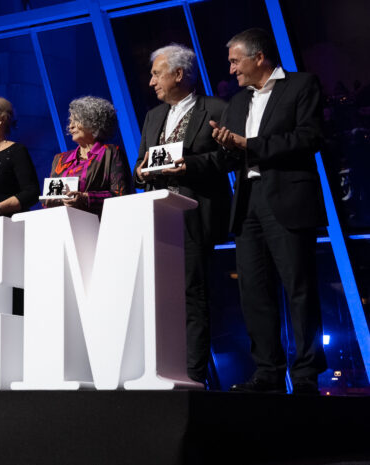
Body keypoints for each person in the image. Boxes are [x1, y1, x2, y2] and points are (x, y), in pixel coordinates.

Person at [210, 28, 327, 394]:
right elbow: (232, 156)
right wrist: (227, 146)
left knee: (298, 287)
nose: (231, 70)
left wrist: (251, 144)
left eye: (235, 61)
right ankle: (268, 372)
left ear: (259, 57)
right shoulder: (239, 102)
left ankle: (306, 374)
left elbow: (310, 138)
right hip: (248, 202)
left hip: (287, 198)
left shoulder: (302, 86)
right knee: (254, 291)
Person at [134, 44, 231, 385]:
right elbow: (141, 163)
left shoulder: (217, 108)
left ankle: (192, 374)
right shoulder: (153, 116)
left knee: (192, 294)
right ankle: (157, 370)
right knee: (156, 297)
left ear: (179, 74)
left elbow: (228, 158)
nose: (151, 82)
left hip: (194, 214)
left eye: (156, 74)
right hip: (157, 217)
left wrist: (189, 165)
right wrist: (141, 173)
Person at [44, 96, 132, 215]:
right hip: (64, 224)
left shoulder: (110, 153)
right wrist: (49, 200)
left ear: (93, 121)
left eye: (76, 120)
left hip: (99, 223)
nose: (71, 126)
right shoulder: (59, 159)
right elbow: (47, 201)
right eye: (70, 122)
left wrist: (85, 198)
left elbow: (120, 196)